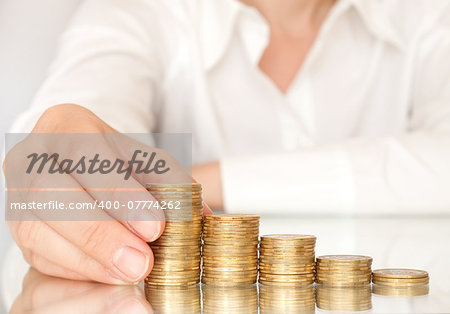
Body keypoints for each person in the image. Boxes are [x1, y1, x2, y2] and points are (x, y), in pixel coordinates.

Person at [5, 0, 450, 284]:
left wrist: (201, 182)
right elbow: (85, 114)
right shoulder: (134, 15)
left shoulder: (430, 16)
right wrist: (63, 136)